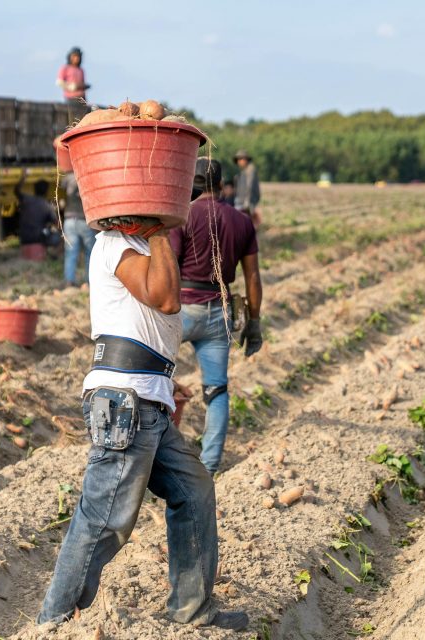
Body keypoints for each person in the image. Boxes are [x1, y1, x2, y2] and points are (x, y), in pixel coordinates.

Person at [36, 213, 248, 631]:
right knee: (104, 518)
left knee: (194, 489)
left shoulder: (140, 245)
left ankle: (192, 608)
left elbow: (146, 324)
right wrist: (161, 233)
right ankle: (53, 623)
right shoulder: (117, 242)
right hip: (126, 403)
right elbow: (165, 299)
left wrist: (164, 381)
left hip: (146, 398)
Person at [169, 158, 263, 475]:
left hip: (182, 311)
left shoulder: (182, 217)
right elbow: (252, 278)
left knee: (151, 378)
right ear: (222, 185)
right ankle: (209, 466)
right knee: (217, 390)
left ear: (190, 183)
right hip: (219, 313)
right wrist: (254, 322)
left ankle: (158, 459)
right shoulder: (242, 222)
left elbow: (169, 269)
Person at [60, 173, 96, 286]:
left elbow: (61, 190)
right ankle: (89, 282)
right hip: (84, 220)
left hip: (69, 221)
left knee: (70, 253)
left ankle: (69, 281)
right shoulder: (88, 177)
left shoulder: (68, 178)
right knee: (89, 253)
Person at [17, 179, 57, 259]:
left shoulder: (26, 200)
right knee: (56, 235)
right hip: (38, 239)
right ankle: (53, 255)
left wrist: (23, 178)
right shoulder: (47, 206)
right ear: (47, 191)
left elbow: (16, 191)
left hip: (23, 238)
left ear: (34, 189)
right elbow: (56, 222)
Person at [233, 150, 262, 226]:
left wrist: (247, 202)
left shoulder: (250, 169)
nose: (239, 162)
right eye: (238, 160)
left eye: (240, 159)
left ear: (245, 159)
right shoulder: (243, 172)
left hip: (247, 202)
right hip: (242, 201)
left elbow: (250, 186)